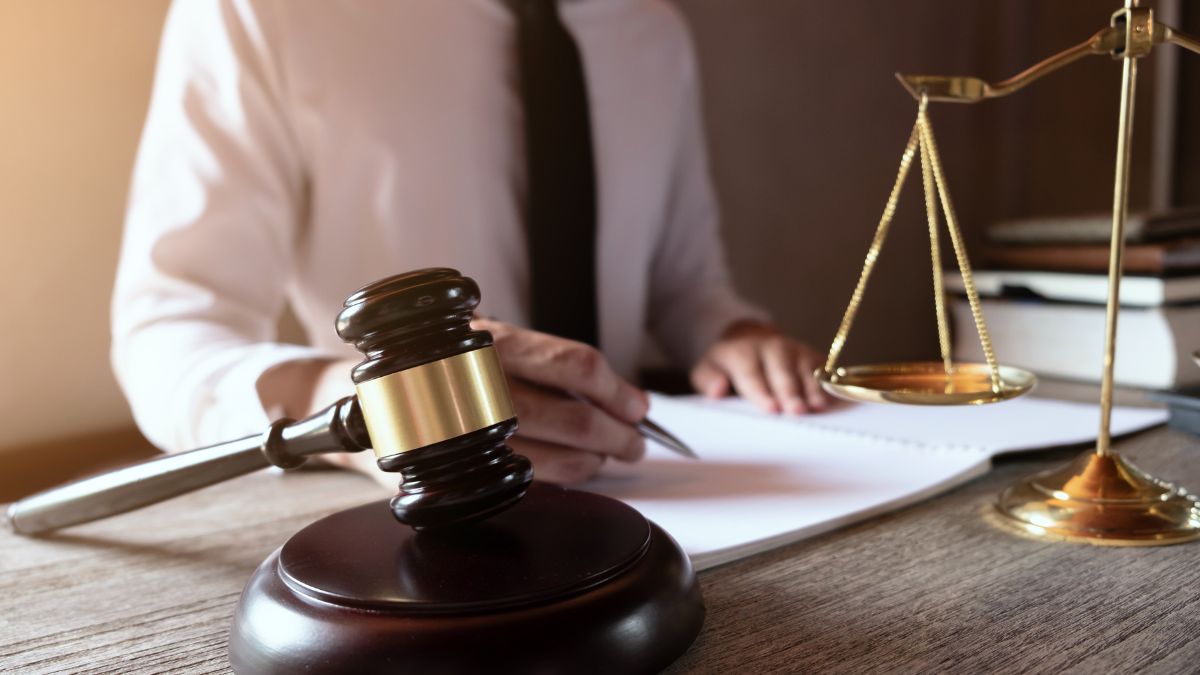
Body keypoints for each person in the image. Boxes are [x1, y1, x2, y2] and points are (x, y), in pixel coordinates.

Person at [112, 0, 829, 487]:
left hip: (647, 498)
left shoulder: (650, 26)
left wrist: (731, 331)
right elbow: (168, 336)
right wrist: (373, 411)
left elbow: (684, 280)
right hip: (402, 527)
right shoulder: (262, 13)